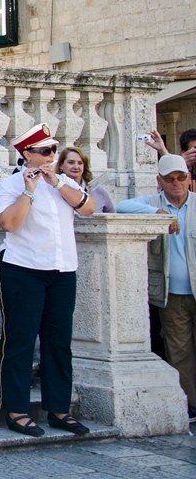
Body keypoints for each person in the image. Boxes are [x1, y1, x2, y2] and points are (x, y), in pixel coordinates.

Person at [0, 122, 95, 437]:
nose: (50, 155)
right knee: (21, 340)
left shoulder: (63, 182)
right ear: (27, 154)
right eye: (44, 151)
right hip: (24, 269)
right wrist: (29, 190)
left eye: (53, 150)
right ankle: (16, 409)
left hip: (62, 269)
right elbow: (10, 224)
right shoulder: (11, 184)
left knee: (59, 342)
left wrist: (58, 183)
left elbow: (88, 208)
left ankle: (59, 408)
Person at [115, 154, 196, 420]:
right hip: (171, 295)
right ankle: (191, 404)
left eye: (181, 177)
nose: (176, 183)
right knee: (179, 351)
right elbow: (122, 206)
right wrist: (157, 215)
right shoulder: (152, 203)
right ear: (159, 181)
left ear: (188, 178)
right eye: (170, 179)